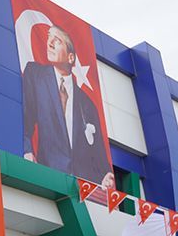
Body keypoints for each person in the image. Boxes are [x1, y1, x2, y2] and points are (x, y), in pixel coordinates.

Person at [22, 25, 114, 188]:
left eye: (57, 41)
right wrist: (27, 150)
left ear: (71, 58)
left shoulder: (88, 104)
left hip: (80, 188)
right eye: (49, 37)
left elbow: (98, 153)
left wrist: (106, 175)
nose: (49, 43)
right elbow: (24, 120)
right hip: (47, 180)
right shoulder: (35, 75)